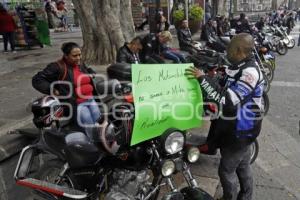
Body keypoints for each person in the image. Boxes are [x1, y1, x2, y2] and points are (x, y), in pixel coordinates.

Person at [185, 33, 264, 200]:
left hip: (241, 130)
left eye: (229, 48)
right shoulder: (240, 65)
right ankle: (246, 196)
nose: (226, 51)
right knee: (243, 166)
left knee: (226, 170)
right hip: (239, 127)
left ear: (238, 50)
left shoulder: (250, 72)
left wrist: (203, 79)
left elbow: (227, 100)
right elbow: (226, 79)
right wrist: (214, 75)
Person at [32, 42, 101, 135]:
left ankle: (100, 144)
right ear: (66, 55)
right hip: (77, 104)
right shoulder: (57, 67)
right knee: (89, 128)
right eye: (74, 56)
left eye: (80, 55)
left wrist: (91, 72)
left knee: (98, 123)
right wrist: (51, 89)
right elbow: (37, 79)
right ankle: (90, 146)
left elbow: (87, 69)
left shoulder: (80, 63)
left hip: (91, 99)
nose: (78, 58)